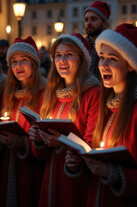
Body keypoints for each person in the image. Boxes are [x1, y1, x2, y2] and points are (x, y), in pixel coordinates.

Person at [66, 23, 137, 207]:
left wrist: (112, 172)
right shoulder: (105, 107)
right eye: (102, 57)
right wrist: (78, 164)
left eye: (112, 59)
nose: (103, 65)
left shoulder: (134, 111)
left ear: (130, 65)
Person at [29, 33, 100, 207]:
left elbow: (91, 145)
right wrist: (38, 139)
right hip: (50, 177)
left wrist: (60, 142)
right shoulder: (51, 94)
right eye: (58, 55)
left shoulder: (92, 94)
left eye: (69, 54)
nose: (62, 60)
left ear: (82, 59)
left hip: (74, 182)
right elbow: (40, 154)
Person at [0, 36, 46, 207]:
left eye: (24, 60)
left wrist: (19, 141)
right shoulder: (9, 94)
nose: (18, 66)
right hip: (8, 164)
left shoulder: (44, 93)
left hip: (31, 169)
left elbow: (44, 140)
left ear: (34, 63)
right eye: (14, 61)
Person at [84, 1, 110, 78]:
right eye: (86, 19)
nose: (88, 23)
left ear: (104, 23)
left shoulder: (112, 47)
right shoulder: (81, 46)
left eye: (93, 19)